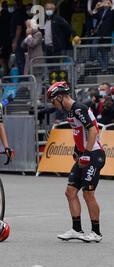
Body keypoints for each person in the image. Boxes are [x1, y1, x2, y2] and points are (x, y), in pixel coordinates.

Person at [48, 82, 106, 243]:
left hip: (94, 154)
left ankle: (96, 232)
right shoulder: (70, 111)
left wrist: (86, 153)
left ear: (59, 97)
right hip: (84, 155)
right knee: (70, 192)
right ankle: (76, 229)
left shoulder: (79, 109)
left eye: (53, 101)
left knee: (88, 193)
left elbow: (93, 130)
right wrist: (77, 151)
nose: (53, 104)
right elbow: (79, 132)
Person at [0, 1, 14, 76]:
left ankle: (6, 72)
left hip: (1, 43)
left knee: (2, 59)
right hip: (8, 42)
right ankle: (6, 72)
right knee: (5, 58)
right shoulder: (10, 19)